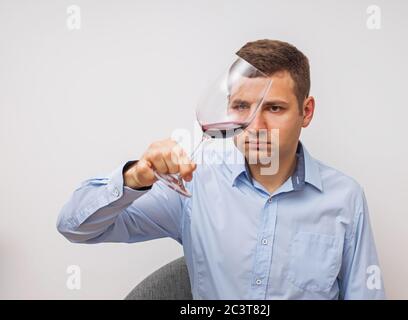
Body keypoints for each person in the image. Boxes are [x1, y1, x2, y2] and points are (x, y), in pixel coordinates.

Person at [57, 39, 385, 299]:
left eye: (274, 108)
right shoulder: (194, 185)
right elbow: (76, 227)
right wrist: (135, 177)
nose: (255, 125)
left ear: (306, 111)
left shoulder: (345, 197)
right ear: (227, 107)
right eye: (242, 107)